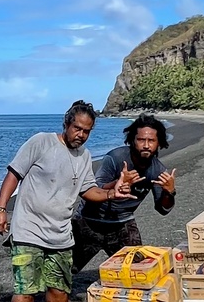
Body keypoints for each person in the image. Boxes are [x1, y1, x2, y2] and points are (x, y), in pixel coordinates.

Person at [0, 100, 132, 302]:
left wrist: (112, 193)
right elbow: (14, 174)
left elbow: (89, 190)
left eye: (87, 131)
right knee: (25, 288)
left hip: (61, 234)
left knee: (59, 288)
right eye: (77, 128)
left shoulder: (85, 156)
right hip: (28, 229)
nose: (81, 135)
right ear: (66, 124)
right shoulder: (41, 142)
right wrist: (1, 208)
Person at [72, 114, 177, 272]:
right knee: (64, 272)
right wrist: (117, 184)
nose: (146, 145)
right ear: (132, 140)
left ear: (159, 142)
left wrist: (169, 192)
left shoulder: (158, 170)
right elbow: (94, 187)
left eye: (151, 140)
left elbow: (163, 209)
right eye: (141, 140)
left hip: (122, 224)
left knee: (139, 270)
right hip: (89, 220)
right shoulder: (115, 158)